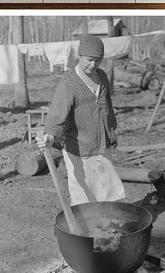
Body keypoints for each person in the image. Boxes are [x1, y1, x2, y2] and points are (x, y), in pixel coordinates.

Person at [37, 35, 126, 206]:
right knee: (84, 197)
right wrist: (50, 137)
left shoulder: (102, 77)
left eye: (98, 61)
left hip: (102, 145)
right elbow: (56, 118)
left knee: (107, 191)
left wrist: (111, 132)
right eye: (89, 60)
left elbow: (107, 107)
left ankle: (107, 225)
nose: (93, 65)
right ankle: (84, 229)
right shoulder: (68, 85)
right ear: (80, 56)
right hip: (80, 150)